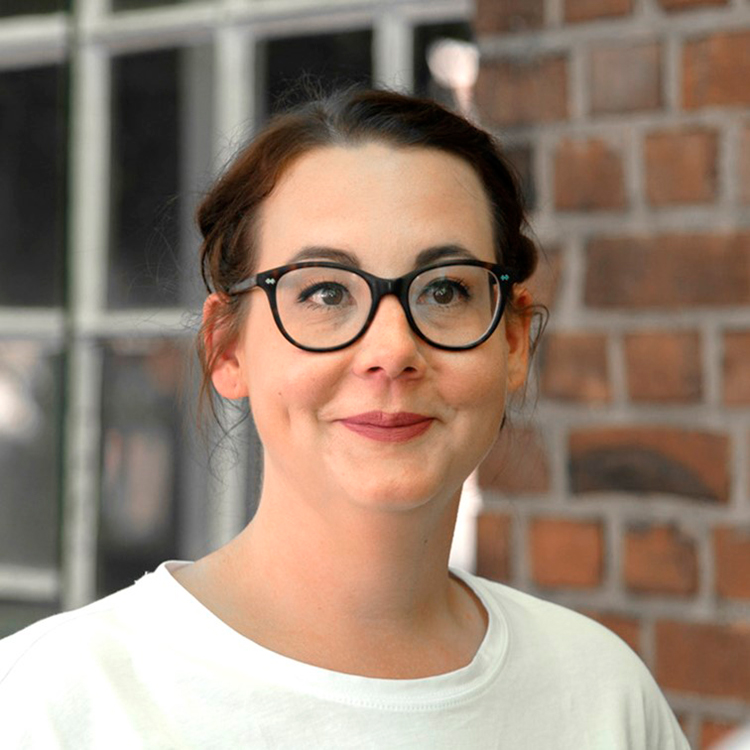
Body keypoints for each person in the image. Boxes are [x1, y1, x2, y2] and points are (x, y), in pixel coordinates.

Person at [0, 88, 689, 749]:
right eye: (326, 292)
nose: (392, 350)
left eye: (445, 290)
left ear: (512, 343)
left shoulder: (602, 695)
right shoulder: (54, 704)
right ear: (227, 348)